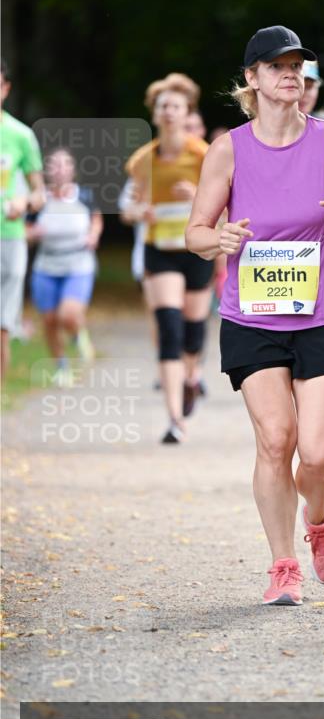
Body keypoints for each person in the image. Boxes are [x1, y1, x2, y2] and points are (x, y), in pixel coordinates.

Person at [186, 25, 324, 606]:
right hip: (254, 318)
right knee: (275, 440)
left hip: (322, 316)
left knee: (316, 454)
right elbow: (193, 232)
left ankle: (318, 520)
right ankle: (283, 563)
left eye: (297, 65)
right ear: (253, 78)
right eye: (276, 65)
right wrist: (218, 239)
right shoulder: (228, 149)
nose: (290, 74)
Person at [122, 72, 212, 442]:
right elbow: (128, 205)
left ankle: (192, 376)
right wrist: (137, 212)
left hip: (197, 250)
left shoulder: (204, 155)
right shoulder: (143, 159)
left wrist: (197, 195)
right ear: (155, 114)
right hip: (159, 251)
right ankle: (175, 419)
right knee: (170, 329)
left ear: (186, 110)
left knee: (194, 332)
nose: (169, 112)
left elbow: (228, 202)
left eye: (175, 106)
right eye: (163, 107)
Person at [27, 148, 102, 384]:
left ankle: (78, 333)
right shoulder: (39, 200)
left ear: (72, 170)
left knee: (68, 314)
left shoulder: (84, 196)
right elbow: (24, 229)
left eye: (64, 164)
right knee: (49, 321)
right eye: (54, 165)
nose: (59, 170)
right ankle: (62, 366)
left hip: (78, 263)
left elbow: (96, 219)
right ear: (47, 170)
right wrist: (33, 233)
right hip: (46, 264)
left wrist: (93, 235)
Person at [0, 58, 45, 379]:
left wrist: (23, 201)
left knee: (2, 325)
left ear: (5, 88)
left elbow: (39, 194)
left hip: (8, 237)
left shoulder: (20, 135)